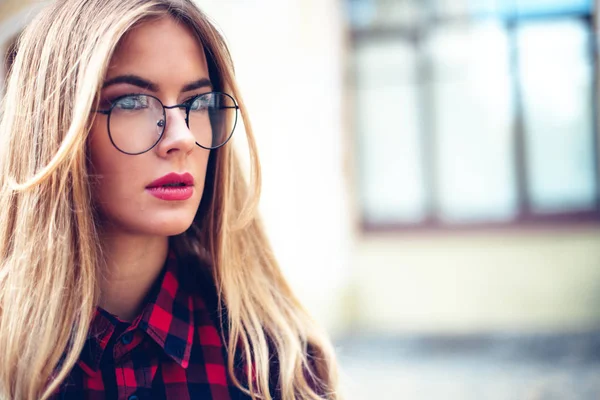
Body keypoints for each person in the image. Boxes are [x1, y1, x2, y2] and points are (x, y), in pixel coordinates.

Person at [0, 0, 340, 399]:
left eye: (198, 103)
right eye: (131, 101)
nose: (181, 137)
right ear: (55, 127)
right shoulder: (12, 359)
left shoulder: (272, 364)